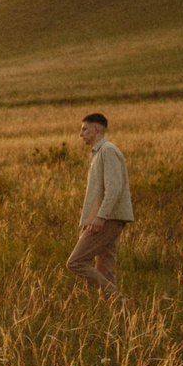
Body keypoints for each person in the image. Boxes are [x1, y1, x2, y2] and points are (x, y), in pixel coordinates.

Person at [66, 112, 134, 299]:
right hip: (106, 218)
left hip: (109, 218)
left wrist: (100, 217)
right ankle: (122, 317)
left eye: (84, 129)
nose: (81, 134)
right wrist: (90, 219)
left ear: (96, 129)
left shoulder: (108, 150)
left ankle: (120, 299)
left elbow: (114, 188)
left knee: (75, 262)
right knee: (105, 271)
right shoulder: (98, 153)